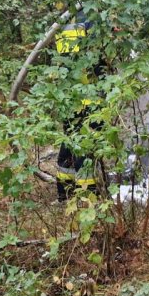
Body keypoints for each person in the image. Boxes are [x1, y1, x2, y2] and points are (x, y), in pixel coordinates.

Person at [54, 14, 103, 201]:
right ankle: (88, 196)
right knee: (86, 147)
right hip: (90, 99)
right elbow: (99, 63)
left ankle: (65, 193)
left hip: (68, 99)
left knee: (69, 143)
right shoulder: (93, 19)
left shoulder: (66, 21)